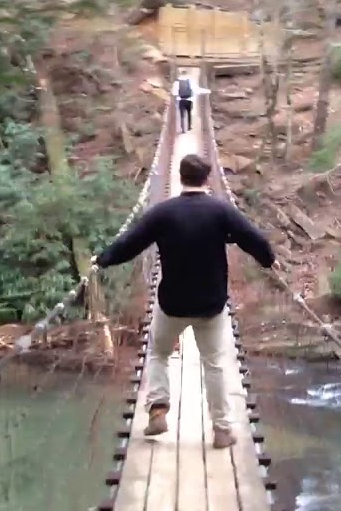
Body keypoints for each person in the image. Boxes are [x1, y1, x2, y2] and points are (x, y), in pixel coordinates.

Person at [91, 153, 275, 449]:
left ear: (179, 176)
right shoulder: (221, 211)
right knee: (214, 363)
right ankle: (223, 430)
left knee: (158, 353)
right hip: (211, 305)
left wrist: (103, 260)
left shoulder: (162, 213)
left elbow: (131, 243)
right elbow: (254, 239)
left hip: (172, 303)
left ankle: (158, 409)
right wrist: (268, 261)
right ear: (207, 178)